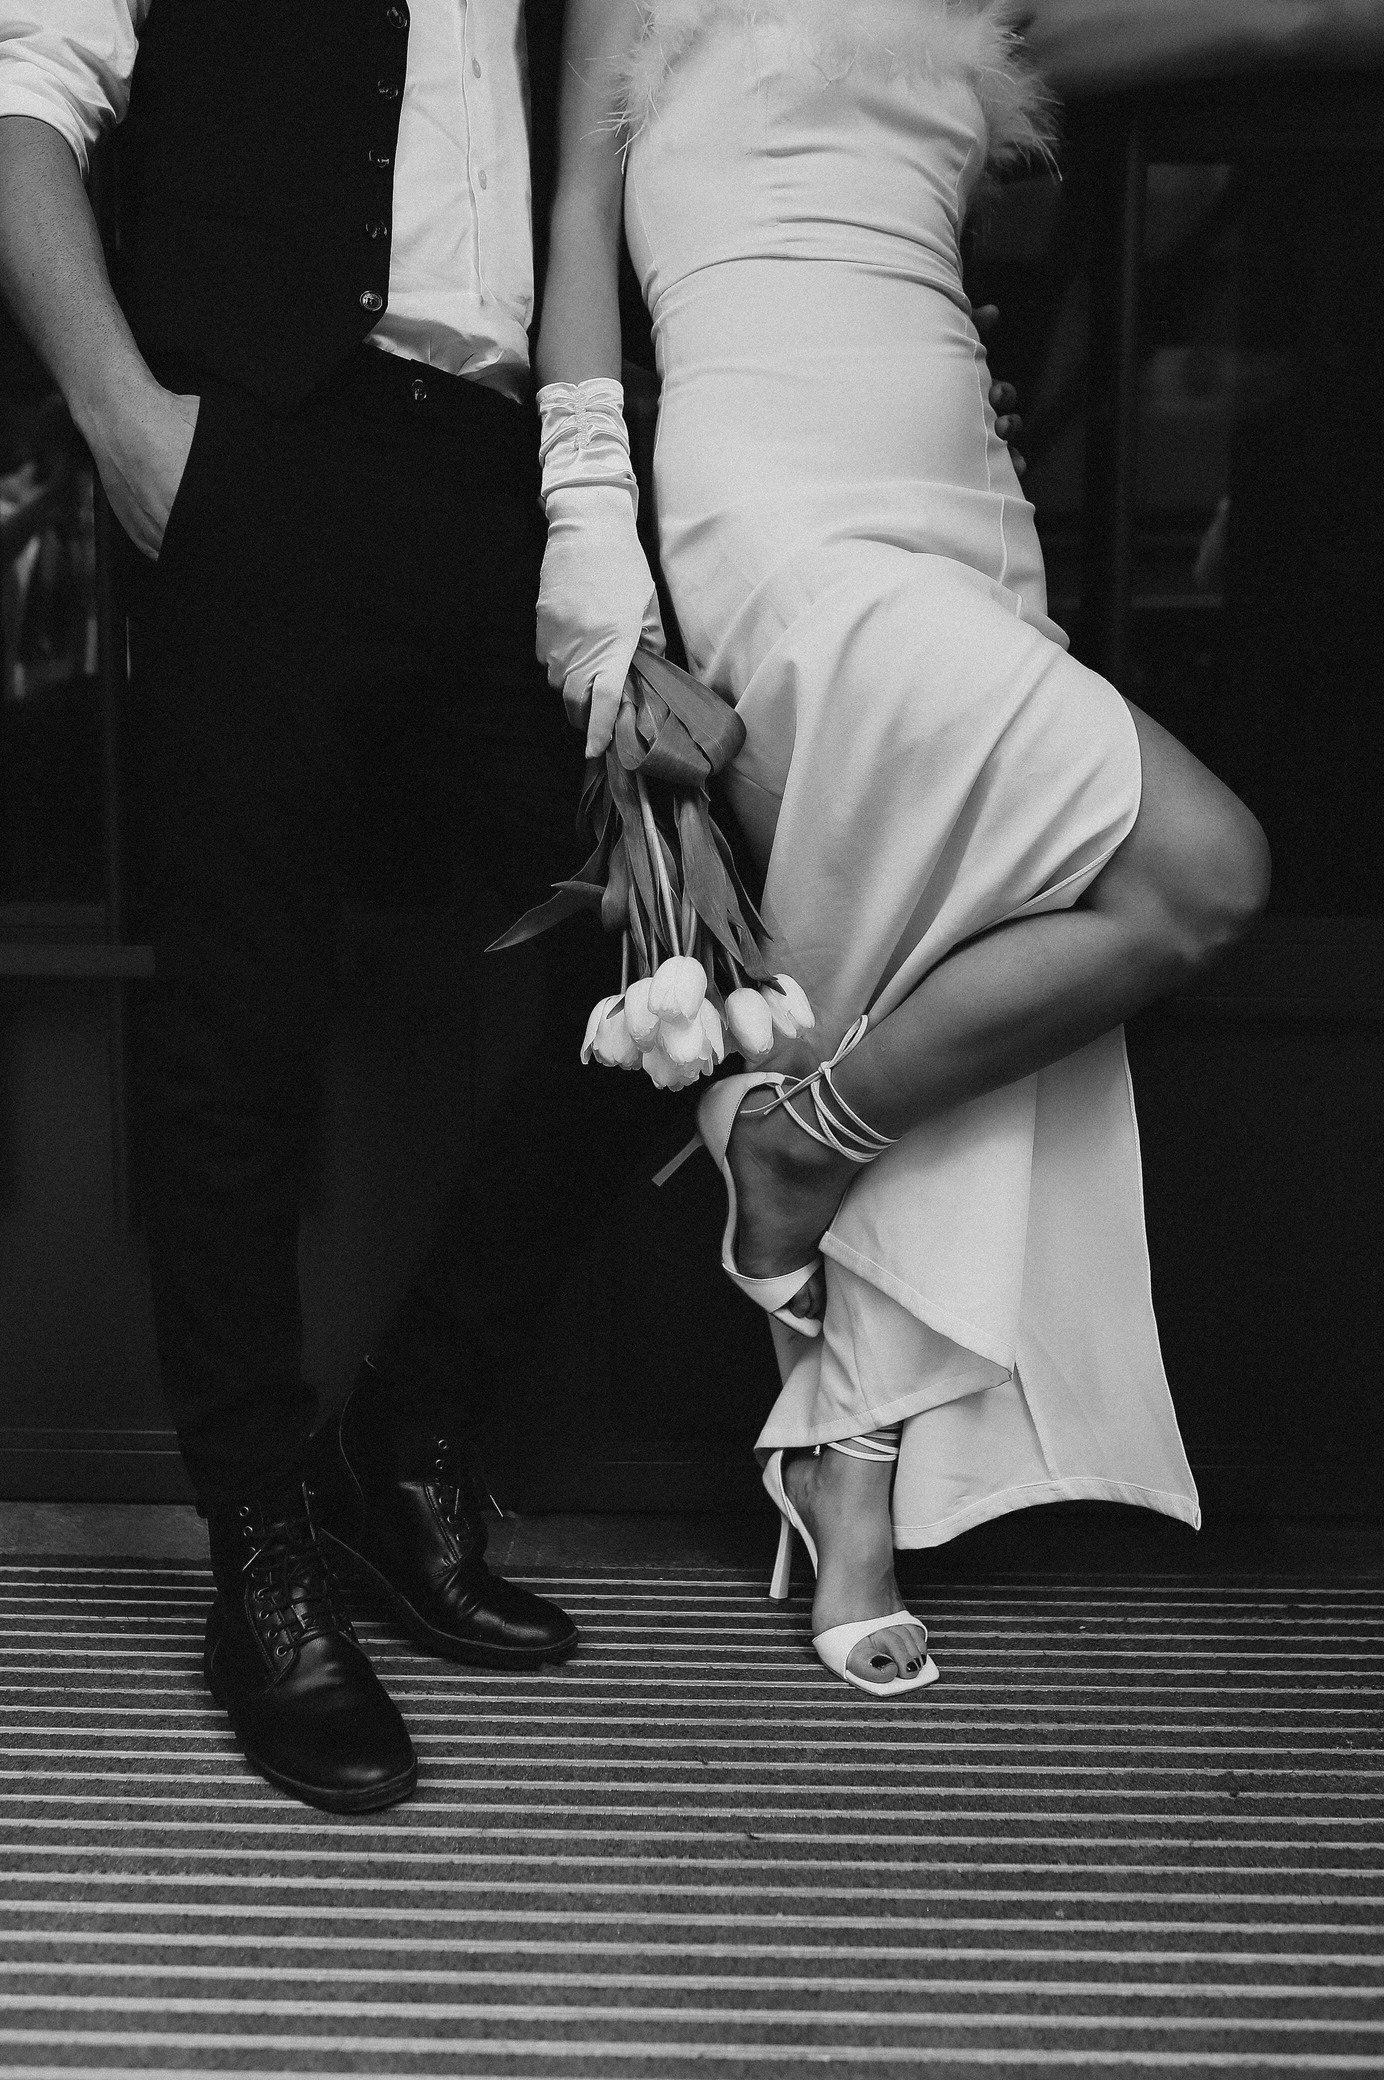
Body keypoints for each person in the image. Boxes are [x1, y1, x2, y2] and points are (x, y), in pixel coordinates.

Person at [0, 0, 702, 1812]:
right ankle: (261, 1554)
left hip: (510, 498)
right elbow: (24, 97)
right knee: (240, 1023)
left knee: (672, 940)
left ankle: (401, 1435)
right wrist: (123, 419)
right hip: (261, 468)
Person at [534, 0, 1275, 1695]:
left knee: (931, 975)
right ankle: (797, 1152)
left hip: (965, 503)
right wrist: (590, 549)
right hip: (773, 502)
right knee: (1202, 872)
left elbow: (1273, 11)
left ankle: (849, 1477)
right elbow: (578, 222)